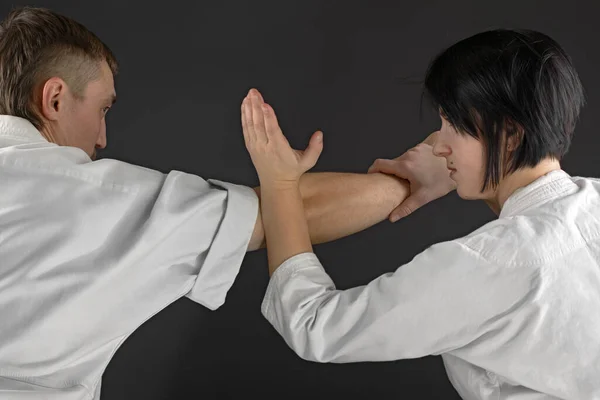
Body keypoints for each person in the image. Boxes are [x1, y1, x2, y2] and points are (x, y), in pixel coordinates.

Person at [0, 6, 413, 399]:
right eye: (102, 108)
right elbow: (283, 215)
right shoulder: (93, 197)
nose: (102, 138)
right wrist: (418, 182)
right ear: (54, 99)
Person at [244, 29, 600, 400]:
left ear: (509, 134)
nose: (440, 144)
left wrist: (279, 183)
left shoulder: (486, 263)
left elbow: (314, 325)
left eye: (452, 125)